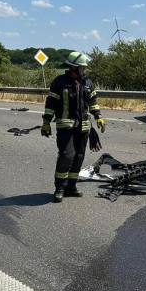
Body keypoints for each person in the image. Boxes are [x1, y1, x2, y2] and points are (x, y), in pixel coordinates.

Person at [41, 51, 105, 202]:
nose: (84, 70)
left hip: (83, 126)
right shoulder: (60, 82)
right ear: (73, 68)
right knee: (66, 155)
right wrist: (46, 122)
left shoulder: (88, 82)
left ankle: (71, 186)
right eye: (82, 68)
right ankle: (60, 188)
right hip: (66, 127)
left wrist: (98, 116)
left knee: (79, 156)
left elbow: (93, 102)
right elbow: (51, 104)